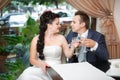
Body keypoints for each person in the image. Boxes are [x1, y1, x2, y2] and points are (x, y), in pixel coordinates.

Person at [17, 11, 79, 80]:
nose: (59, 26)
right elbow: (32, 59)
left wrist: (73, 46)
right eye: (57, 24)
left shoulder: (61, 38)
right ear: (49, 25)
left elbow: (68, 55)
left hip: (56, 70)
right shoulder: (35, 39)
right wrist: (41, 64)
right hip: (40, 69)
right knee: (27, 76)